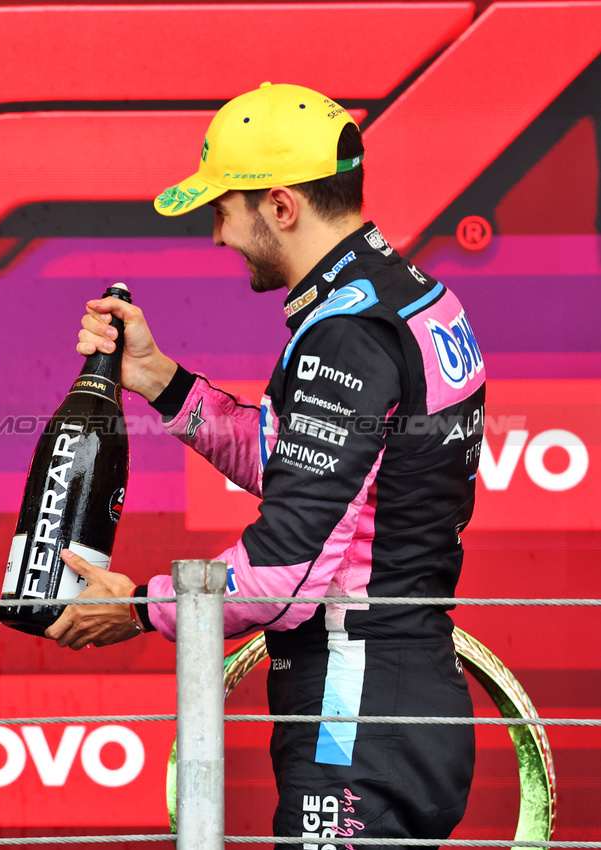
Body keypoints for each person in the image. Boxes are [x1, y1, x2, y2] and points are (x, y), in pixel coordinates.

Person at [48, 83, 485, 846]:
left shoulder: (348, 333)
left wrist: (138, 609)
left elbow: (283, 574)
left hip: (355, 714)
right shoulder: (403, 295)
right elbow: (324, 478)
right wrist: (157, 379)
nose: (216, 234)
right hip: (398, 698)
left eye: (223, 208)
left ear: (280, 206)